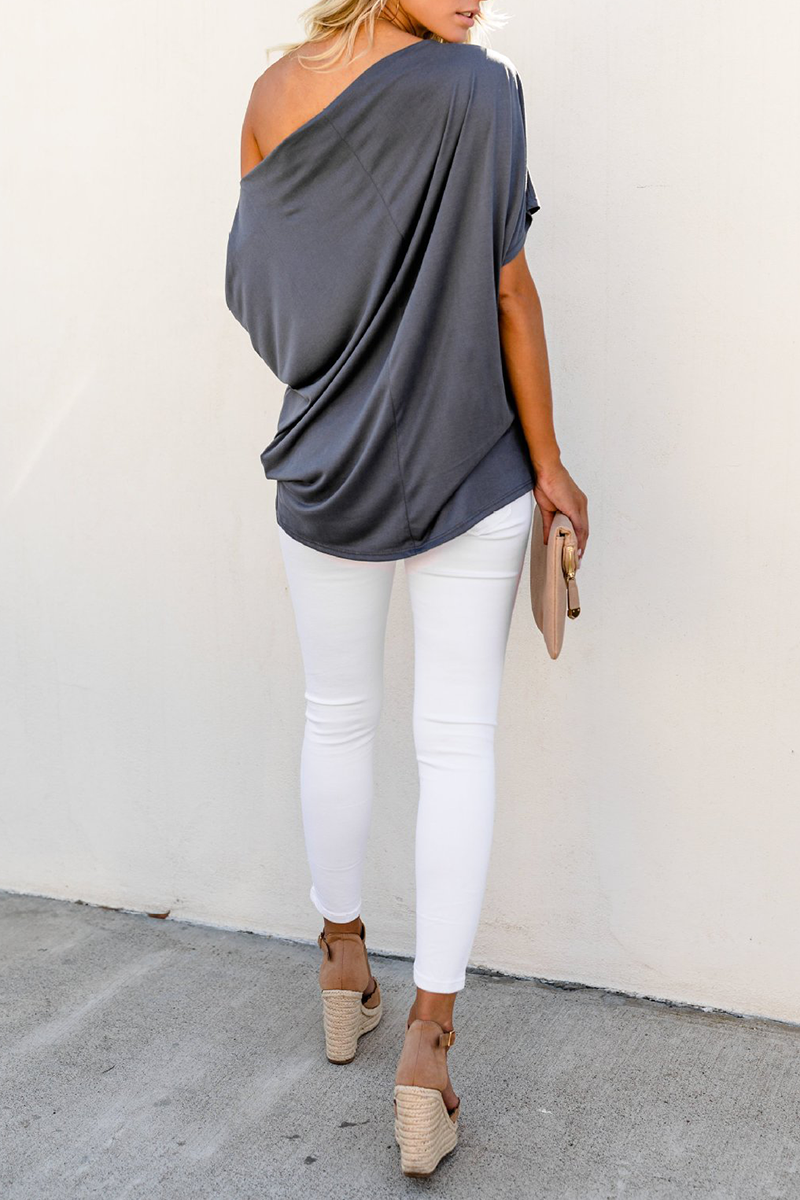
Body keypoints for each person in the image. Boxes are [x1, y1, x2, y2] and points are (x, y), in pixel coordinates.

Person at [225, 0, 589, 1178]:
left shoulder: (273, 94)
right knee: (455, 743)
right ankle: (428, 1049)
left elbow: (268, 308)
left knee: (336, 717)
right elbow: (509, 291)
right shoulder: (482, 90)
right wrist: (549, 464)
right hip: (466, 463)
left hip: (325, 463)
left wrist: (353, 362)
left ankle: (342, 964)